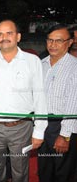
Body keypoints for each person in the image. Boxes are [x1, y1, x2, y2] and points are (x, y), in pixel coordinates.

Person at [0, 19, 48, 182]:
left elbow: (40, 96)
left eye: (9, 33)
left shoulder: (32, 60)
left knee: (20, 170)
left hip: (21, 127)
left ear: (18, 37)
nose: (4, 37)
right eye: (0, 34)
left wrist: (39, 130)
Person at [38, 24, 77, 182]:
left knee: (63, 172)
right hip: (42, 125)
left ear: (69, 42)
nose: (53, 45)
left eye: (59, 41)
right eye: (50, 40)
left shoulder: (74, 67)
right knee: (44, 169)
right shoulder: (41, 64)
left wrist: (64, 136)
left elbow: (73, 103)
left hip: (62, 126)